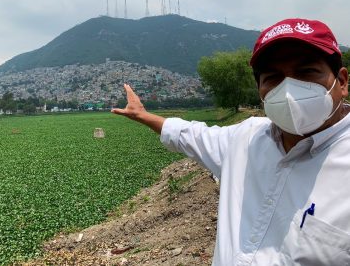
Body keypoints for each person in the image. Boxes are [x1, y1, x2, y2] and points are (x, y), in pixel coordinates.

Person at [112, 18, 350, 265]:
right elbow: (189, 135)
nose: (289, 90)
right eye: (273, 77)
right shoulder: (245, 139)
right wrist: (143, 115)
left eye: (306, 72)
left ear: (341, 82)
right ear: (260, 90)